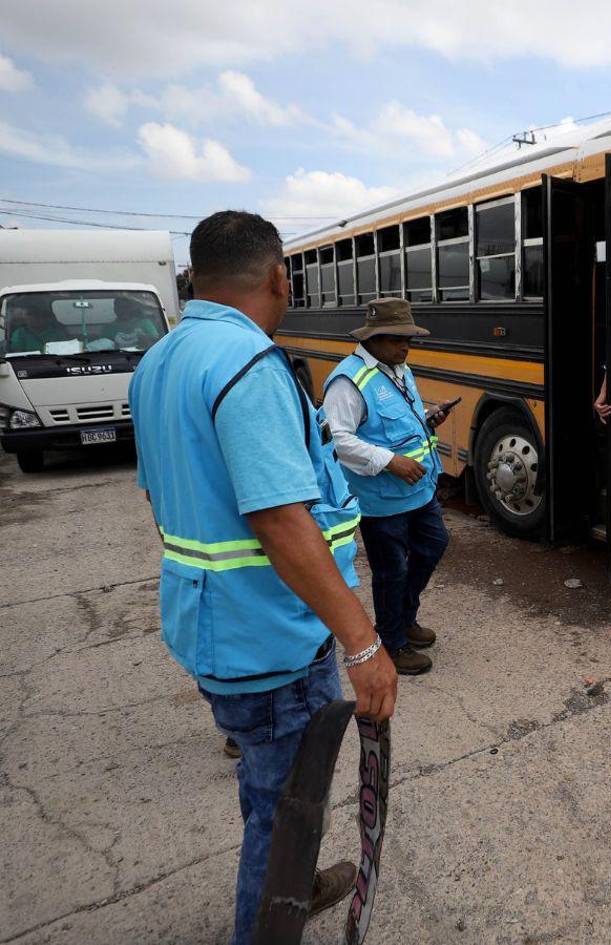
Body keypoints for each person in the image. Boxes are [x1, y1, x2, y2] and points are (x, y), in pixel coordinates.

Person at [129, 211, 397, 945]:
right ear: (279, 276)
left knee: (271, 791)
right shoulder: (250, 366)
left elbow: (160, 496)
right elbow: (282, 522)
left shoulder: (160, 361)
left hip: (213, 626)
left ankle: (295, 884)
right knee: (284, 811)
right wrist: (364, 642)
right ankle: (269, 918)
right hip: (273, 640)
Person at [323, 298, 452, 676]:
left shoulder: (398, 368)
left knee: (433, 545)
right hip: (381, 501)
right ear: (374, 338)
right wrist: (390, 462)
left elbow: (397, 424)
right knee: (391, 570)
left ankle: (404, 616)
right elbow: (339, 441)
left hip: (418, 490)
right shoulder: (348, 381)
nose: (406, 345)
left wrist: (429, 419)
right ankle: (393, 642)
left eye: (409, 337)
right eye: (397, 338)